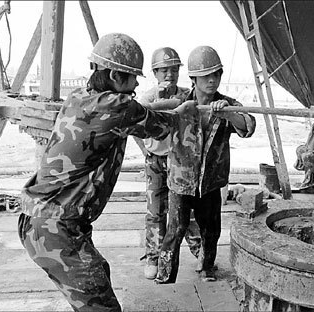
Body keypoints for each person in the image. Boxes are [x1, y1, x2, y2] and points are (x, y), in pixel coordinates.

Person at [17, 33, 197, 312]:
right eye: (132, 77)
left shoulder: (79, 97)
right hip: (56, 228)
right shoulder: (118, 107)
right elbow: (162, 126)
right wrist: (183, 111)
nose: (137, 83)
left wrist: (168, 106)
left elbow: (139, 111)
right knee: (102, 307)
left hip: (42, 219)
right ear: (114, 75)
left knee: (98, 276)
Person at [155, 46, 256, 284]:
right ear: (193, 79)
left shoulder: (228, 104)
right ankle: (165, 272)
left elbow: (248, 126)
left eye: (216, 75)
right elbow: (154, 122)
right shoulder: (179, 103)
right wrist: (167, 107)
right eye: (206, 76)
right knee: (176, 229)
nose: (212, 80)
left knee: (210, 229)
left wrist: (228, 115)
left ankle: (207, 267)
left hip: (211, 182)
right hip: (181, 180)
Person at [137, 47, 201, 280]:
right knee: (155, 211)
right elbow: (135, 119)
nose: (169, 75)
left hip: (179, 161)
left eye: (174, 70)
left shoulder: (186, 95)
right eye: (164, 70)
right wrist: (144, 148)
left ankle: (200, 253)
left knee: (186, 210)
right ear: (155, 72)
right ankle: (153, 257)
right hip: (155, 161)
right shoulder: (148, 98)